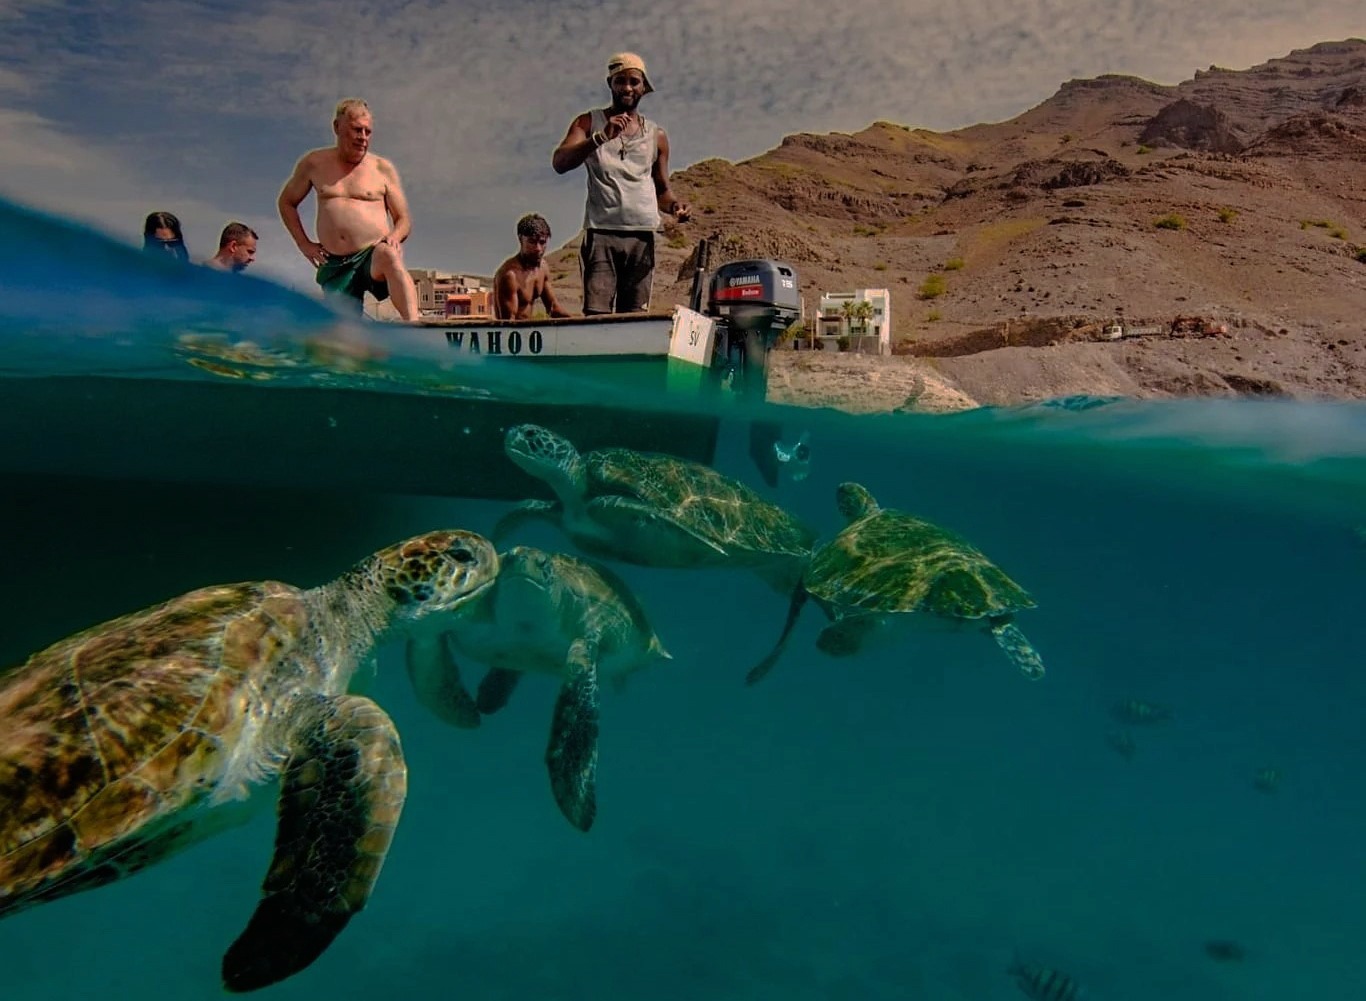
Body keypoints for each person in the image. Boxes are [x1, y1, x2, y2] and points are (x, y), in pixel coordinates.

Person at [551, 52, 690, 315]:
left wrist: (675, 207)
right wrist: (600, 138)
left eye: (634, 81)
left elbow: (662, 190)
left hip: (642, 236)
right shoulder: (588, 122)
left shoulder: (656, 135)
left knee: (634, 318)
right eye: (621, 81)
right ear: (610, 84)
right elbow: (560, 163)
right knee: (597, 316)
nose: (627, 87)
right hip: (602, 233)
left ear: (643, 87)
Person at [277, 98, 420, 321]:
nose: (363, 137)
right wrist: (303, 243)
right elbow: (286, 202)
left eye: (368, 132)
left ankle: (414, 324)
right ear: (337, 127)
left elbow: (403, 219)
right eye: (356, 130)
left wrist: (394, 236)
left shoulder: (383, 168)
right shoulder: (314, 163)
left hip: (372, 255)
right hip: (336, 262)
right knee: (345, 333)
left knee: (390, 255)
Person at [492, 213, 572, 320]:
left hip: (530, 331)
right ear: (521, 239)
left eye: (542, 242)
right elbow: (507, 325)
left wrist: (584, 325)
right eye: (532, 242)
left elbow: (553, 308)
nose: (538, 248)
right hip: (515, 334)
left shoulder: (542, 268)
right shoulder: (510, 275)